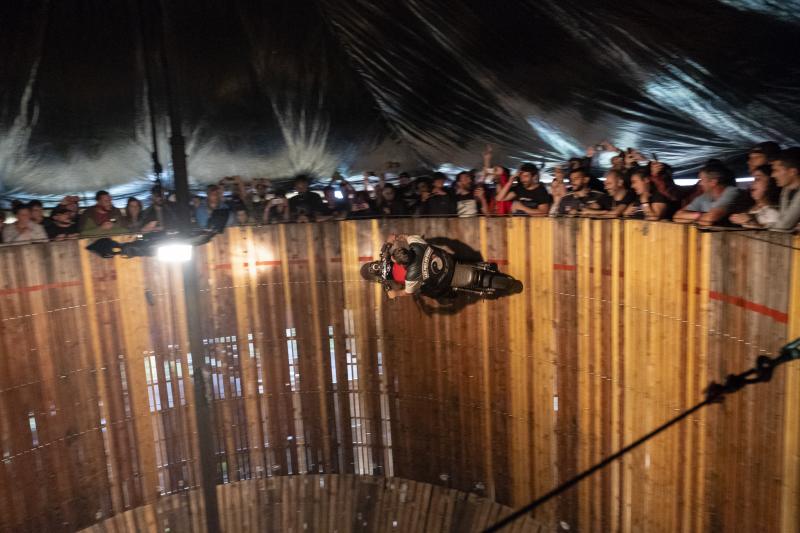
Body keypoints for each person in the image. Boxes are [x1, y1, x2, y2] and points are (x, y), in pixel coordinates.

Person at [673, 163, 750, 226]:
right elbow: (677, 217)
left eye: (702, 180)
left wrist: (691, 218)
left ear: (713, 182)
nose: (700, 183)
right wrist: (698, 215)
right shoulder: (705, 196)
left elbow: (711, 219)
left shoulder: (732, 192)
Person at [383, 233, 455, 299]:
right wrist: (396, 237)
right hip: (448, 259)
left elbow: (408, 292)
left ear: (400, 264)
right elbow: (405, 236)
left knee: (420, 290)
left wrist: (396, 293)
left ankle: (446, 294)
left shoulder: (411, 276)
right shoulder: (416, 243)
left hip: (446, 279)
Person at [768, 148, 800, 231]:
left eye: (776, 170)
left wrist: (760, 225)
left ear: (792, 172)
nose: (772, 175)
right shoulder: (786, 191)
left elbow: (783, 226)